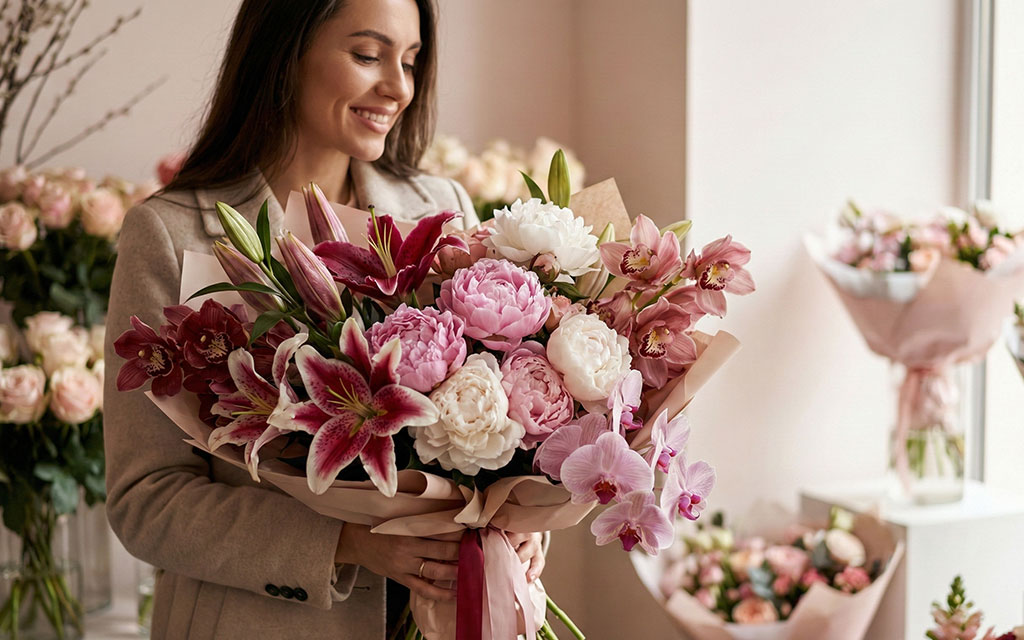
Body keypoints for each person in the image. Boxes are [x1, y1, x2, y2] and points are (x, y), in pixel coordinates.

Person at [103, 1, 545, 637]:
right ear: (285, 55)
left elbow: (506, 425)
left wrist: (522, 529)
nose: (398, 86)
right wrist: (348, 542)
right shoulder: (170, 234)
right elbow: (146, 500)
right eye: (368, 55)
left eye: (411, 60)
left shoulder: (442, 209)